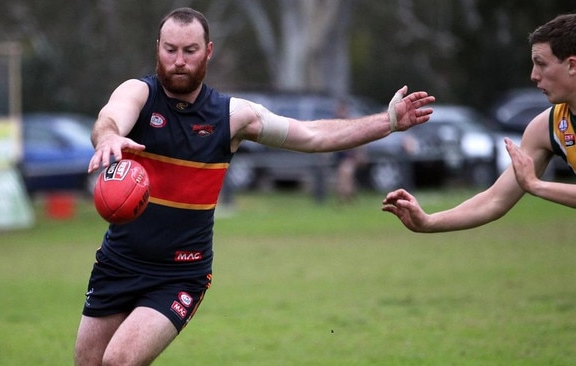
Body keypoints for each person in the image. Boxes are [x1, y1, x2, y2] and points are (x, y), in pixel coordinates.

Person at [76, 7, 435, 366]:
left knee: (118, 362)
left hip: (178, 274)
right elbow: (110, 117)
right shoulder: (139, 94)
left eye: (190, 51)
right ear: (157, 48)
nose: (179, 61)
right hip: (118, 263)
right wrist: (108, 136)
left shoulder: (232, 116)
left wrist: (387, 121)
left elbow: (311, 135)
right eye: (170, 50)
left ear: (209, 51)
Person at [382, 13, 576, 233]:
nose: (533, 75)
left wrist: (538, 186)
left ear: (571, 65)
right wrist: (429, 221)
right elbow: (494, 200)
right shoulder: (547, 126)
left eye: (541, 64)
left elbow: (531, 184)